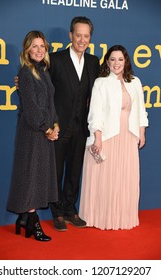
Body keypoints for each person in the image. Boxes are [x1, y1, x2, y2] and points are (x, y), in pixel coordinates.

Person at [79, 45, 149, 230]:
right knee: (106, 180)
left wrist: (141, 132)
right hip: (108, 136)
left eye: (120, 59)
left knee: (125, 179)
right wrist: (98, 138)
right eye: (112, 59)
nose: (116, 63)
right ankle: (101, 217)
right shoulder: (101, 83)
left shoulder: (135, 81)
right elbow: (95, 113)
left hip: (128, 136)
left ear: (125, 61)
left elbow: (141, 109)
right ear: (107, 62)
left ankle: (122, 217)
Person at [6, 31, 60, 241]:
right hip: (31, 133)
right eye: (34, 46)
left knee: (37, 176)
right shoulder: (26, 73)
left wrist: (55, 125)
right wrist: (46, 128)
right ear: (27, 49)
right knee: (31, 176)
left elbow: (50, 103)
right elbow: (31, 108)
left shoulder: (43, 71)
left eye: (42, 46)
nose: (39, 50)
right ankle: (31, 220)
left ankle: (24, 218)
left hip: (44, 132)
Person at [48, 16, 100, 231]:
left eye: (86, 36)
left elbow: (103, 90)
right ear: (71, 36)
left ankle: (70, 209)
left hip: (82, 128)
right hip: (59, 128)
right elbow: (45, 91)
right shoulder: (55, 59)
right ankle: (57, 212)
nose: (81, 39)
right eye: (78, 35)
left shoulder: (93, 62)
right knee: (57, 171)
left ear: (90, 38)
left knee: (75, 171)